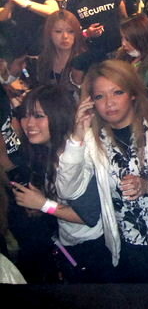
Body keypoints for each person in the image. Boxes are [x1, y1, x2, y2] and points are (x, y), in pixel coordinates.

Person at [56, 60, 148, 282]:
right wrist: (77, 137)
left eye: (117, 92)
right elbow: (67, 190)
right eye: (100, 96)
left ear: (133, 93)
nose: (109, 103)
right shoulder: (92, 139)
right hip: (125, 246)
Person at [10, 85, 113, 282]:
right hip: (69, 243)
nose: (29, 123)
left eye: (39, 116)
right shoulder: (47, 151)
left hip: (92, 249)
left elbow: (87, 217)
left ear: (58, 116)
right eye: (25, 115)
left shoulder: (76, 155)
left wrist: (43, 204)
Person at [35, 10, 86, 91]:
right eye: (58, 31)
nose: (65, 36)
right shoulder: (43, 59)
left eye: (71, 31)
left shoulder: (85, 60)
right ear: (49, 33)